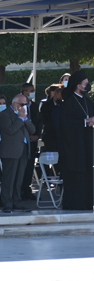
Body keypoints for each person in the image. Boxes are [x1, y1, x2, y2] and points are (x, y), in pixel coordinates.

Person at [59, 70, 94, 210]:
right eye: (86, 83)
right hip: (73, 148)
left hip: (86, 144)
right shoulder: (68, 103)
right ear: (79, 86)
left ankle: (87, 202)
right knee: (75, 176)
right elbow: (66, 125)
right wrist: (85, 122)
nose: (88, 85)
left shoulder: (87, 102)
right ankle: (74, 204)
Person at [0, 94, 36, 213]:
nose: (25, 106)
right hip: (10, 151)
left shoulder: (24, 115)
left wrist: (26, 120)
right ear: (15, 104)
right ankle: (7, 203)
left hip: (23, 149)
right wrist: (20, 119)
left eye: (26, 104)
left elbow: (33, 130)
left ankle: (17, 201)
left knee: (19, 178)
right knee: (9, 178)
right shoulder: (5, 115)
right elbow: (10, 131)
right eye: (23, 104)